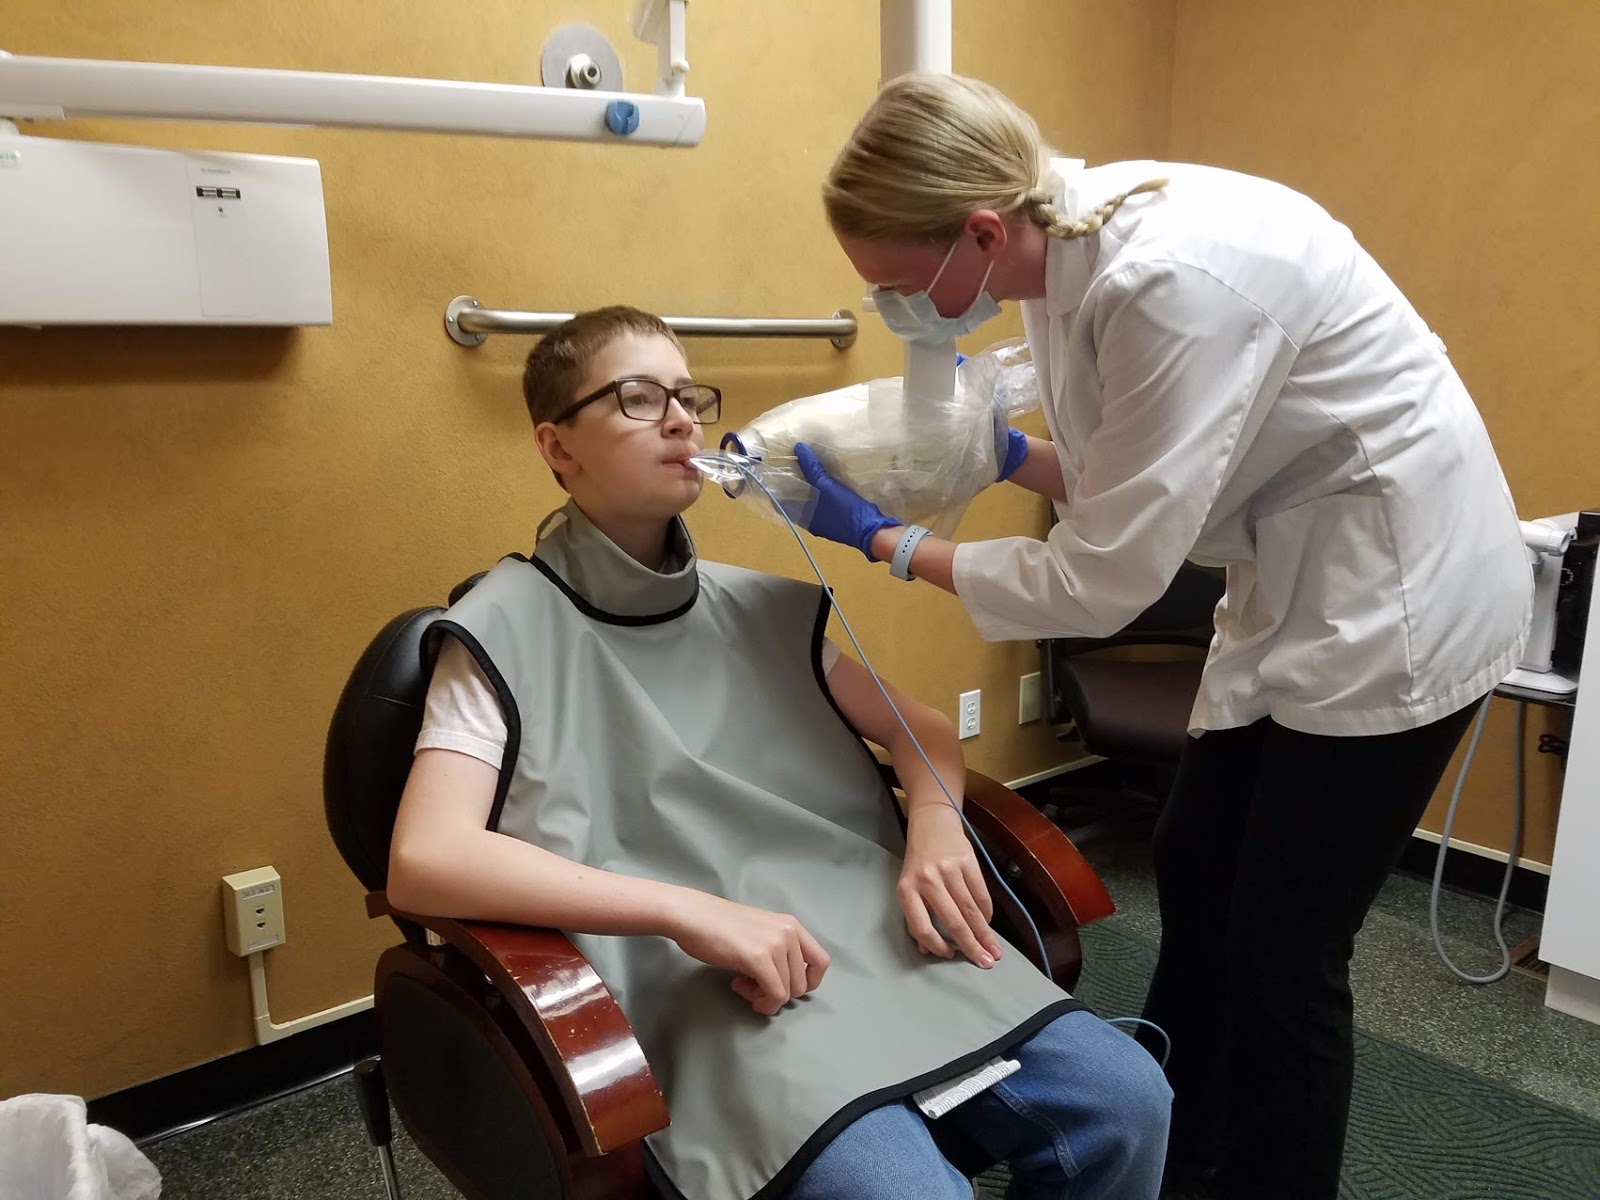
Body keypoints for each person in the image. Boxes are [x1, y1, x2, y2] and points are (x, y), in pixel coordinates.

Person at [798, 73, 1533, 1200]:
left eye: (899, 285)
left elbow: (1102, 578)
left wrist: (892, 545)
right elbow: (1117, 484)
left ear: (980, 232)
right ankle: (1178, 1145)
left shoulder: (1170, 278)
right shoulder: (1055, 256)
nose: (898, 309)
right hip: (1289, 571)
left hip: (1394, 601)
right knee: (1197, 866)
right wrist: (998, 459)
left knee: (1287, 953)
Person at [385, 305, 1171, 1200]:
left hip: (869, 931)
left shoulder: (759, 607)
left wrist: (938, 828)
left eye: (688, 396)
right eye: (639, 399)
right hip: (704, 976)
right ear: (556, 447)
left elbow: (929, 735)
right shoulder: (496, 629)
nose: (683, 418)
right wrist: (689, 914)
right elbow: (426, 859)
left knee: (1129, 1100)